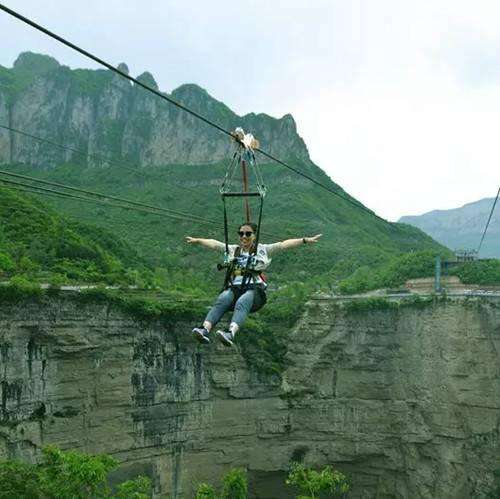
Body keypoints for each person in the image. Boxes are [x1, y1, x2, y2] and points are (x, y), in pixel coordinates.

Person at [186, 222, 322, 347]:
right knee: (223, 298)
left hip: (255, 291)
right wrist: (198, 240)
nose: (244, 237)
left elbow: (283, 245)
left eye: (248, 234)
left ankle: (230, 332)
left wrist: (304, 240)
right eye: (241, 234)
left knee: (243, 301)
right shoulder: (234, 250)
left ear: (254, 236)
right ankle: (205, 329)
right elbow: (215, 244)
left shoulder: (263, 249)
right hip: (236, 288)